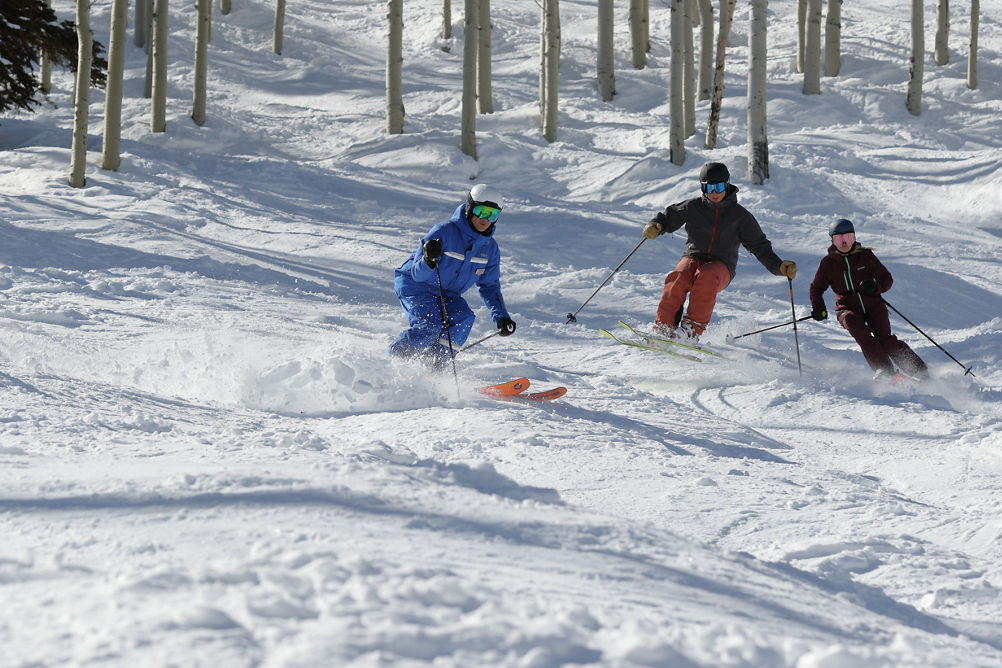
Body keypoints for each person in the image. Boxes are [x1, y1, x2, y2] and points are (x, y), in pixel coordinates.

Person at [641, 162, 797, 343]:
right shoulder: (693, 207)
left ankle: (691, 330)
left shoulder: (740, 216)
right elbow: (670, 216)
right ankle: (663, 328)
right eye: (709, 188)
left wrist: (779, 267)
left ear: (727, 185)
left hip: (722, 266)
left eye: (719, 187)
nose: (714, 193)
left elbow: (760, 246)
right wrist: (656, 225)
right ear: (703, 188)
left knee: (706, 276)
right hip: (693, 256)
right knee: (678, 277)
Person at [387, 184, 516, 369]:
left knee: (464, 318)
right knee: (429, 327)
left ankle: (434, 368)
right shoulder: (444, 232)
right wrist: (428, 260)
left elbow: (489, 286)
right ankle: (391, 363)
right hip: (416, 285)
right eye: (481, 211)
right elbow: (417, 273)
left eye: (492, 214)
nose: (485, 219)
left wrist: (501, 317)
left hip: (447, 294)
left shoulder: (490, 249)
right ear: (471, 208)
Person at [809, 218, 928, 381]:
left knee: (886, 339)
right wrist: (818, 307)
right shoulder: (828, 264)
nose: (844, 242)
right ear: (832, 241)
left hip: (873, 304)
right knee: (858, 329)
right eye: (839, 239)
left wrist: (876, 287)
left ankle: (919, 370)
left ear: (854, 237)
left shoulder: (865, 256)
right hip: (847, 308)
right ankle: (884, 370)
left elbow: (886, 279)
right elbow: (816, 288)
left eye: (848, 237)